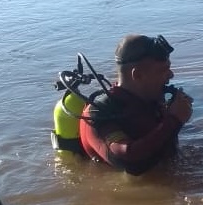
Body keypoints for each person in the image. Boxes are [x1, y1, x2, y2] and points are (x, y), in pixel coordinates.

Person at [79, 34, 193, 175]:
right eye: (162, 70)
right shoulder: (100, 112)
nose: (171, 75)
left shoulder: (151, 98)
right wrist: (175, 119)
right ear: (137, 75)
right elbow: (130, 163)